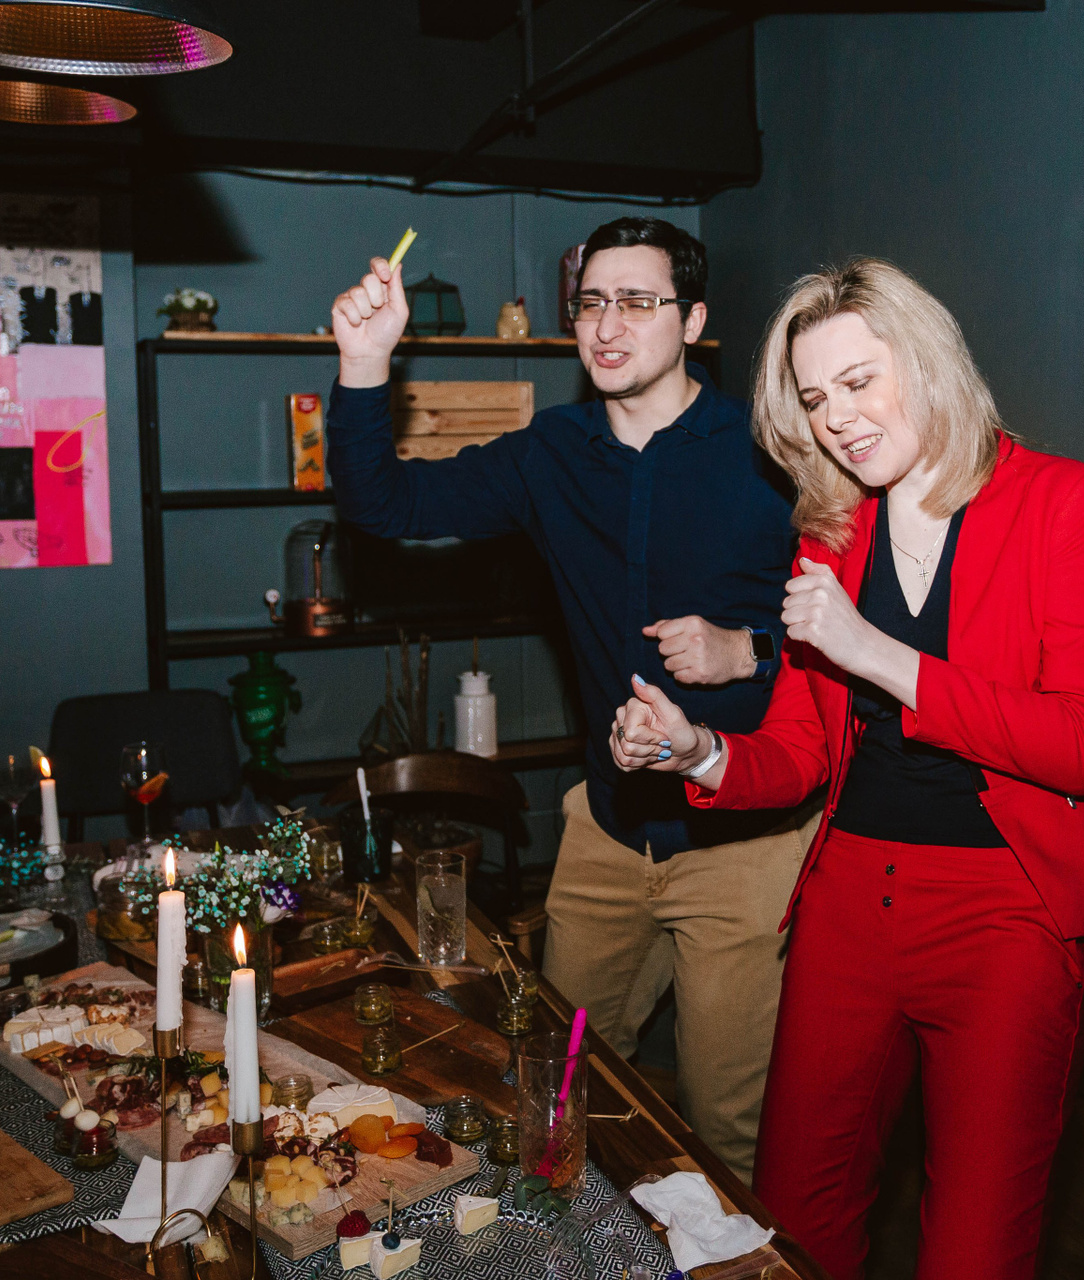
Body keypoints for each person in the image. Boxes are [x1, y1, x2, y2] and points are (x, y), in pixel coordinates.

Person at [610, 258, 1084, 1279]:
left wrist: (876, 652)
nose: (837, 419)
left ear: (926, 363)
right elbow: (801, 751)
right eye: (814, 399)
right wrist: (695, 748)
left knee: (975, 1249)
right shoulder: (834, 531)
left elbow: (1081, 743)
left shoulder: (1061, 500)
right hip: (850, 896)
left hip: (1003, 909)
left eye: (857, 381)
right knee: (797, 1217)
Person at [326, 218, 818, 1179]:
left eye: (637, 300)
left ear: (694, 321)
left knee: (728, 1132)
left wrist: (748, 649)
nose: (607, 324)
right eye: (591, 302)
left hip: (744, 845)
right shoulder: (550, 453)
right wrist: (364, 361)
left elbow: (853, 625)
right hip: (607, 829)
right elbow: (385, 507)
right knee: (554, 1096)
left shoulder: (771, 451)